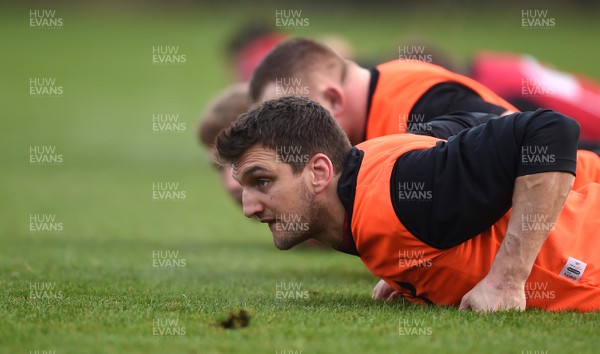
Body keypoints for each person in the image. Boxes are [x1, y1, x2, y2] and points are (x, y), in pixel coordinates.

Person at [216, 96, 600, 312]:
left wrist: (507, 280)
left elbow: (551, 129)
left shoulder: (405, 192)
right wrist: (412, 266)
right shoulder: (370, 176)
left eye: (262, 181)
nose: (249, 207)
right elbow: (472, 122)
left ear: (319, 172)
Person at [249, 37, 518, 145]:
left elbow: (525, 134)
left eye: (290, 119)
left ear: (332, 99)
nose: (285, 141)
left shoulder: (424, 99)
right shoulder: (374, 111)